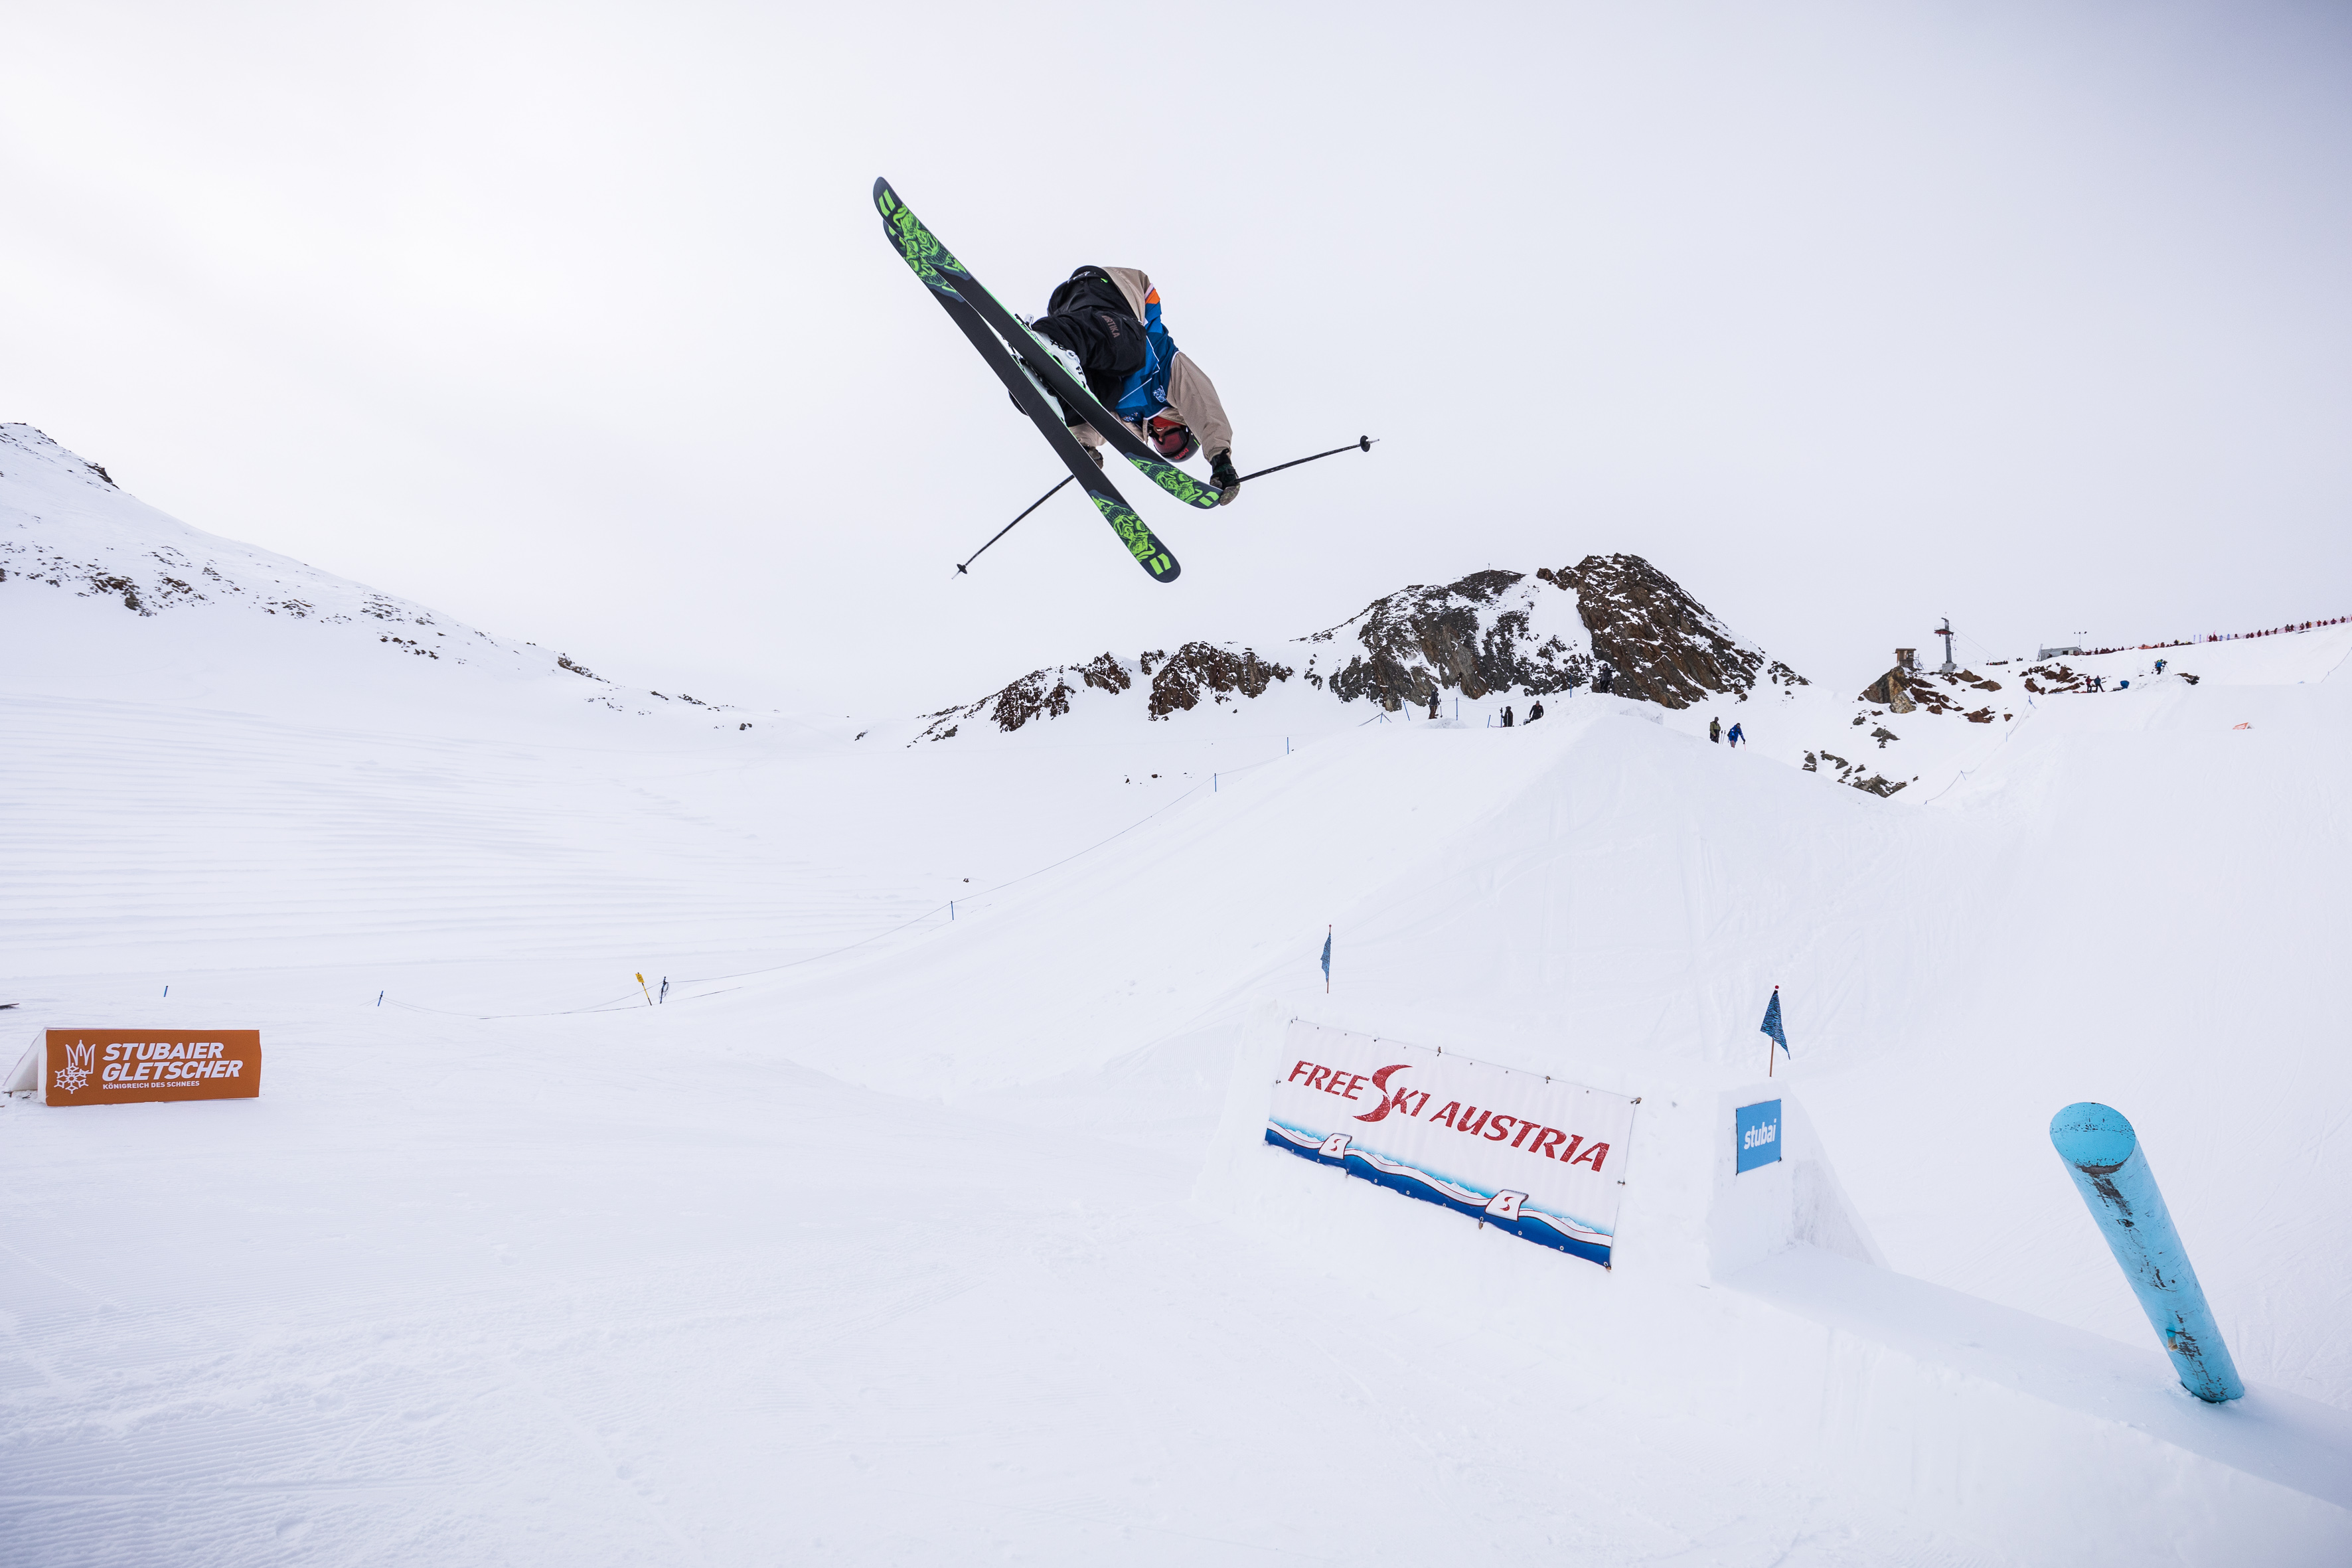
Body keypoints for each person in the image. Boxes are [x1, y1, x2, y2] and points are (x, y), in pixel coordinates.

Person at [1026, 266, 1242, 504]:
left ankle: (1038, 380)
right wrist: (1220, 458)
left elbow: (1094, 421)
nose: (1160, 435)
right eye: (1172, 438)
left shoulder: (1128, 419)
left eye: (1161, 445)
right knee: (1132, 354)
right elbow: (1202, 404)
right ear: (1186, 425)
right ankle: (1051, 338)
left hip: (1065, 309)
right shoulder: (1169, 373)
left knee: (1101, 398)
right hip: (1111, 294)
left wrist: (1083, 446)